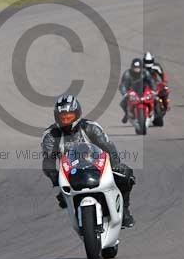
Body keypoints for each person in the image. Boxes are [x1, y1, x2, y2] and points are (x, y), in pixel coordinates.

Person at [41, 95, 137, 227]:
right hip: (71, 175)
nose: (66, 120)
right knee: (62, 199)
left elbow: (108, 147)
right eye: (62, 117)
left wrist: (115, 165)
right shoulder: (51, 135)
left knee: (126, 175)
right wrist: (55, 177)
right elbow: (48, 160)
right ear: (56, 117)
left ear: (77, 113)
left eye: (69, 116)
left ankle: (124, 210)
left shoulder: (91, 127)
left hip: (97, 169)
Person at [118, 58, 158, 124]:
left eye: (138, 67)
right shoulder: (127, 73)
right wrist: (125, 93)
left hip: (144, 90)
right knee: (123, 103)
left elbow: (151, 81)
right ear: (132, 67)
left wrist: (154, 90)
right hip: (132, 91)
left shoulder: (145, 72)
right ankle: (127, 113)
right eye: (135, 67)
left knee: (156, 99)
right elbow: (123, 85)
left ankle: (156, 114)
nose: (137, 69)